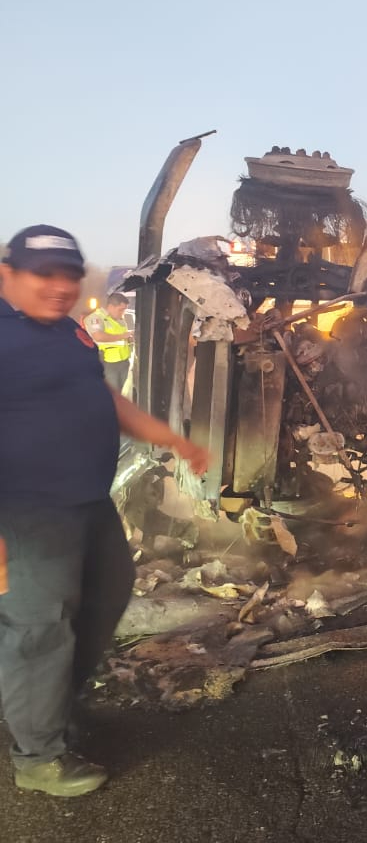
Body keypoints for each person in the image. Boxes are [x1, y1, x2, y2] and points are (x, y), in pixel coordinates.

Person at [0, 224, 209, 797]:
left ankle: (55, 707)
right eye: (44, 274)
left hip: (88, 503)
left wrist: (171, 439)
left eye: (70, 274)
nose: (61, 286)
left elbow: (106, 398)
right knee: (38, 630)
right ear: (7, 275)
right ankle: (38, 758)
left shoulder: (70, 333)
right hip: (24, 517)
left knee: (108, 594)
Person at [83, 292, 133, 392]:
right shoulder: (96, 318)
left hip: (123, 360)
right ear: (110, 306)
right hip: (107, 362)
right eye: (121, 309)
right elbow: (98, 336)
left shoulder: (119, 319)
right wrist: (124, 335)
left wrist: (130, 338)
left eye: (124, 309)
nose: (122, 312)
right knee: (111, 393)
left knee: (123, 392)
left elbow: (121, 338)